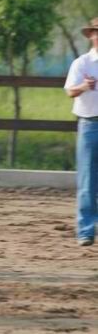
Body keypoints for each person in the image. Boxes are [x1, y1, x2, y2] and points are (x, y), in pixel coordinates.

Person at [64, 18, 98, 247]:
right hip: (89, 124)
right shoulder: (82, 63)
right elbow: (69, 91)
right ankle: (85, 230)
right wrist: (84, 87)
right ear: (91, 35)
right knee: (87, 181)